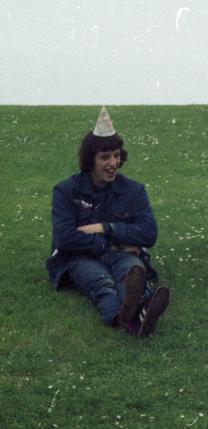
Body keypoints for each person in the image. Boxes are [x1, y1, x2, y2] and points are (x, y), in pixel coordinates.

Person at [47, 107, 170, 337]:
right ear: (89, 160)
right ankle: (127, 317)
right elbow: (64, 238)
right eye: (105, 157)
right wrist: (111, 244)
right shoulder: (65, 190)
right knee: (102, 284)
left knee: (132, 272)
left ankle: (136, 309)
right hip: (79, 257)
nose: (113, 163)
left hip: (123, 256)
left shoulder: (133, 190)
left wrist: (106, 228)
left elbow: (149, 233)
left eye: (116, 155)